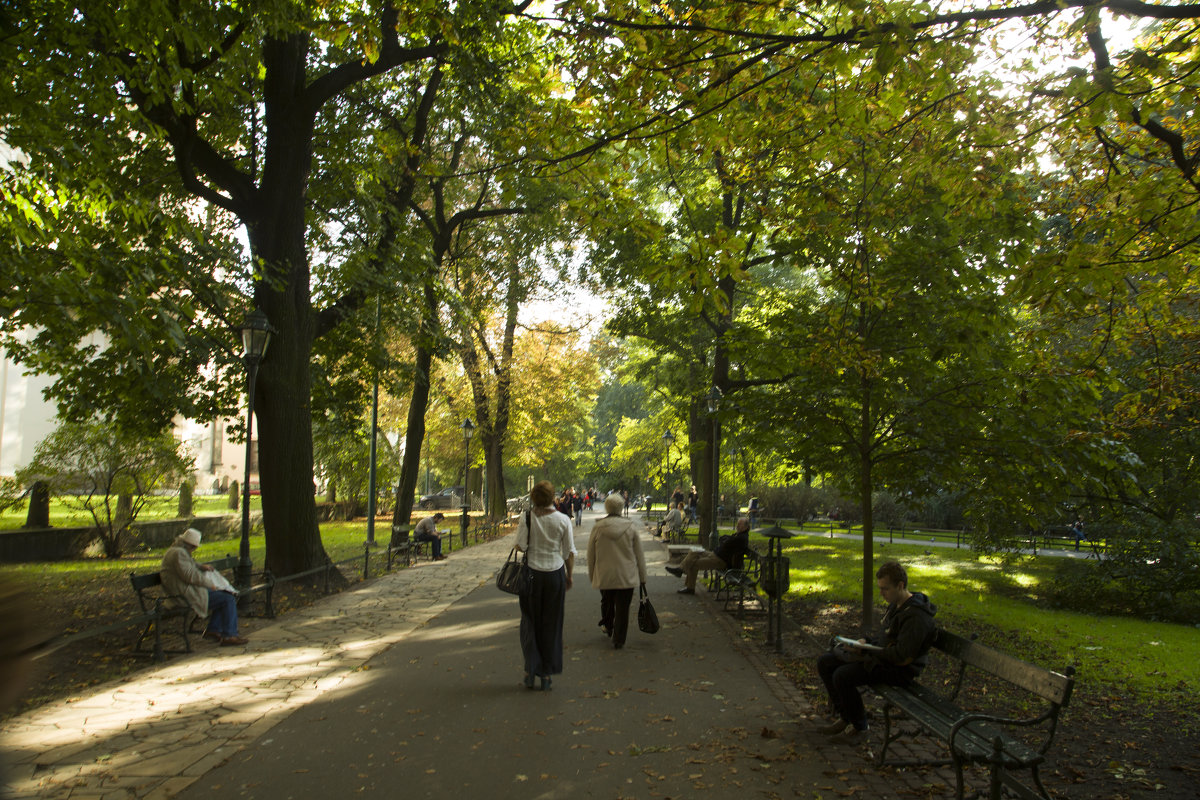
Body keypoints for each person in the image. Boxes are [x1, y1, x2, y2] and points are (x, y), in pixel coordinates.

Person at [815, 561, 937, 742]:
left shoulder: (916, 616)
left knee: (842, 676)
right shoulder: (896, 605)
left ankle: (860, 727)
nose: (882, 593)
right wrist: (865, 643)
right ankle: (846, 717)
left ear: (900, 586)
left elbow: (901, 656)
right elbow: (885, 639)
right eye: (880, 588)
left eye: (885, 589)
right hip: (882, 659)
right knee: (825, 662)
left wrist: (867, 652)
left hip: (899, 670)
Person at [515, 480, 576, 690]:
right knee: (551, 623)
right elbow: (568, 552)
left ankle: (530, 667)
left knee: (529, 622)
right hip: (554, 574)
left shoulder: (526, 518)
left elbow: (521, 546)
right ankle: (546, 673)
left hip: (531, 573)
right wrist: (570, 575)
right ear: (553, 497)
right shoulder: (563, 520)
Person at [160, 528, 248, 646]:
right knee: (228, 599)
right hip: (184, 595)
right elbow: (190, 575)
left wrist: (201, 567)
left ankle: (214, 629)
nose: (194, 550)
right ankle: (229, 635)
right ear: (191, 546)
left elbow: (188, 565)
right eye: (194, 548)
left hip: (183, 591)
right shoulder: (179, 553)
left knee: (225, 596)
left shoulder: (175, 551)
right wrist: (209, 584)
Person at [587, 493, 648, 649]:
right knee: (623, 607)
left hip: (604, 573)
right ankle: (619, 638)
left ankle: (608, 625)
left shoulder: (598, 527)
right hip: (626, 574)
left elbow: (591, 554)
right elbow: (639, 555)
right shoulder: (631, 528)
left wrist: (592, 574)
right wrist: (642, 577)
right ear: (622, 507)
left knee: (607, 601)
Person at [666, 516, 752, 594]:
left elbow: (725, 542)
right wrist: (726, 540)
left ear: (746, 527)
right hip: (714, 554)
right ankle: (680, 569)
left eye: (740, 524)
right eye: (737, 524)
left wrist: (726, 540)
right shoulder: (739, 535)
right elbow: (722, 539)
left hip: (720, 561)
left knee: (693, 564)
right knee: (694, 550)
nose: (737, 525)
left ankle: (690, 588)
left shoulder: (741, 538)